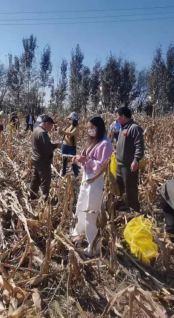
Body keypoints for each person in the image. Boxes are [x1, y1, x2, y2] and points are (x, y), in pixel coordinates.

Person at [72, 116, 113, 257]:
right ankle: (79, 235)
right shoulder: (92, 142)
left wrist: (86, 160)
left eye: (92, 128)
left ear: (99, 127)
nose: (89, 130)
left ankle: (94, 247)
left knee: (91, 213)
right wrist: (79, 160)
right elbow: (86, 162)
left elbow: (100, 167)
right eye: (88, 128)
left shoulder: (105, 144)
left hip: (95, 181)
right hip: (86, 178)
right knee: (81, 207)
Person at [115, 107, 144, 212]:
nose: (116, 118)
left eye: (117, 116)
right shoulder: (123, 128)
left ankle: (135, 212)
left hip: (128, 166)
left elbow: (139, 146)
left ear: (123, 116)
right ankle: (120, 207)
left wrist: (136, 160)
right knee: (118, 188)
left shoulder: (134, 128)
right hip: (119, 164)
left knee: (130, 189)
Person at [30, 115, 61, 199]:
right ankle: (44, 200)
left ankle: (32, 196)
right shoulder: (43, 133)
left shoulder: (36, 129)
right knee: (45, 180)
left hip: (35, 158)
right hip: (43, 160)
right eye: (51, 126)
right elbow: (47, 148)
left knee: (35, 178)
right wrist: (57, 145)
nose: (51, 128)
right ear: (47, 123)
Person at [58, 112, 80, 177]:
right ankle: (64, 172)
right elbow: (64, 133)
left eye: (71, 119)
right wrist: (59, 131)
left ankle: (76, 174)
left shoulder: (77, 127)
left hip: (71, 147)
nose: (69, 120)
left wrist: (62, 131)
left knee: (73, 161)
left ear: (74, 120)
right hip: (65, 145)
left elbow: (70, 134)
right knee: (64, 160)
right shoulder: (69, 125)